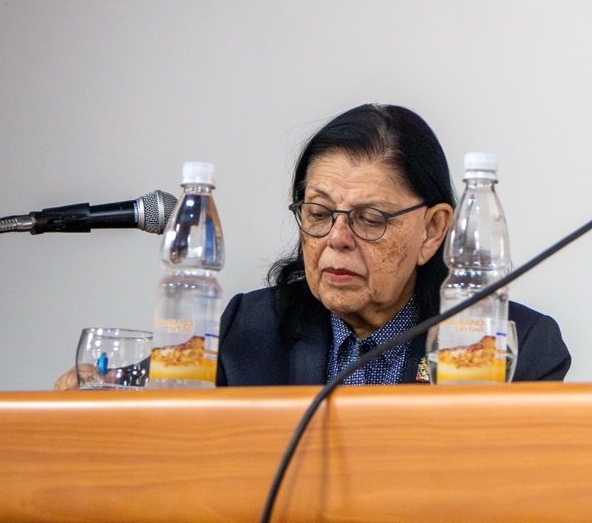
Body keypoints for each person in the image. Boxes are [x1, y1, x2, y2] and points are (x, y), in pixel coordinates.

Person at [215, 103, 570, 385]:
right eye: (319, 214)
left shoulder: (515, 348)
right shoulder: (247, 332)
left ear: (432, 230)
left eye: (370, 219)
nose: (337, 239)